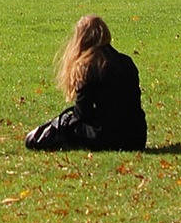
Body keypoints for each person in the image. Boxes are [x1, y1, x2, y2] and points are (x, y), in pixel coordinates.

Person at [25, 15, 147, 151]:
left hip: (107, 138)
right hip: (136, 137)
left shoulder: (88, 67)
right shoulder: (126, 62)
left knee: (67, 126)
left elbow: (82, 113)